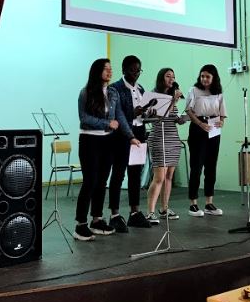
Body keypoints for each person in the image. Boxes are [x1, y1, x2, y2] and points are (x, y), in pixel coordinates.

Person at [74, 58, 140, 241]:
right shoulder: (85, 92)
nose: (110, 72)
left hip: (108, 140)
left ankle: (97, 220)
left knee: (102, 181)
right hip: (89, 140)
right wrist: (106, 123)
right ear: (97, 71)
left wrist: (130, 136)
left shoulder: (112, 92)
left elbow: (119, 116)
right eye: (106, 69)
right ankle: (80, 225)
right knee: (90, 181)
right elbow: (83, 118)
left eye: (111, 69)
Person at [107, 55, 152, 232]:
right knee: (118, 174)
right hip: (121, 135)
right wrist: (134, 112)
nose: (136, 74)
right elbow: (115, 115)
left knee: (135, 174)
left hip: (139, 132)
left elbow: (142, 114)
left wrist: (148, 113)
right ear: (124, 70)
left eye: (138, 70)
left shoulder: (141, 89)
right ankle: (115, 215)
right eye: (132, 70)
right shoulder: (115, 88)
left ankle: (135, 212)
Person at [185, 64, 227, 217]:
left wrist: (222, 121)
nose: (204, 79)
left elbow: (222, 112)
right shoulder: (193, 90)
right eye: (202, 76)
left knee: (211, 166)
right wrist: (200, 123)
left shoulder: (218, 92)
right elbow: (189, 111)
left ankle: (209, 203)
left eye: (207, 76)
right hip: (198, 128)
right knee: (196, 167)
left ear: (214, 78)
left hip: (213, 129)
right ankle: (193, 204)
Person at [145, 68, 185, 224]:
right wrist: (173, 101)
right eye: (168, 76)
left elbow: (172, 117)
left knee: (169, 177)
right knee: (159, 177)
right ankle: (150, 212)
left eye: (173, 76)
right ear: (161, 78)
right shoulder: (154, 96)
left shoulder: (172, 94)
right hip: (159, 138)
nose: (171, 79)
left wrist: (181, 118)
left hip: (173, 139)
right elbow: (158, 118)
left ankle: (164, 209)